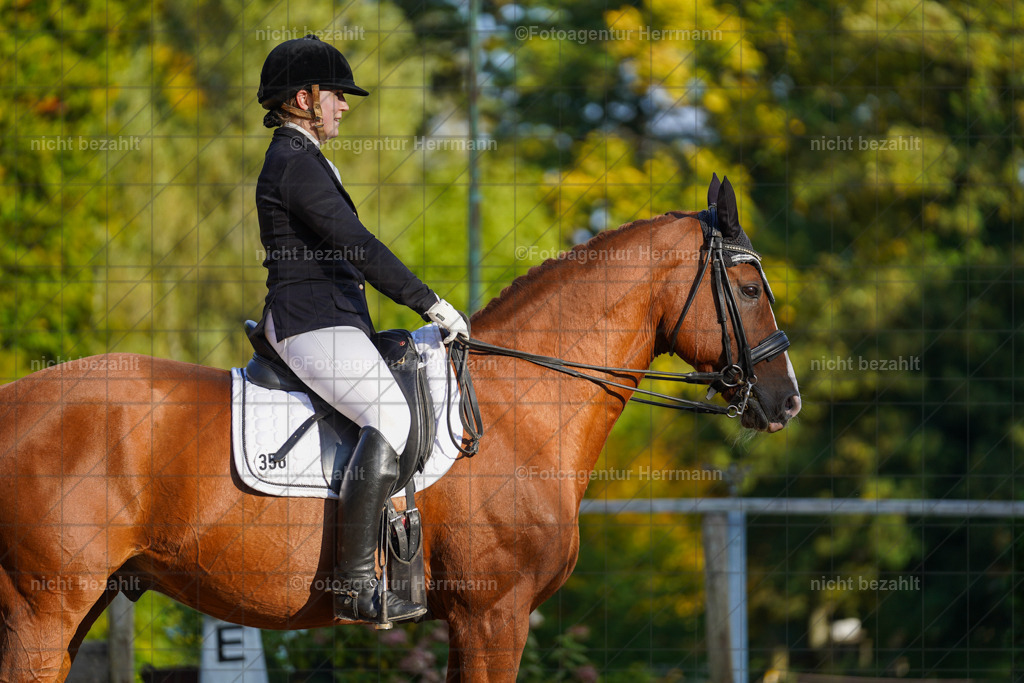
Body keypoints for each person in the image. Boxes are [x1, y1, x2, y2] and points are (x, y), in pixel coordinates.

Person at [254, 34, 469, 623]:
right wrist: (430, 304)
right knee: (392, 416)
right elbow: (357, 245)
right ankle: (352, 585)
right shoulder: (294, 162)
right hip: (310, 322)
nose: (344, 106)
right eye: (336, 96)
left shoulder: (306, 158)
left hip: (331, 320)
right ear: (304, 98)